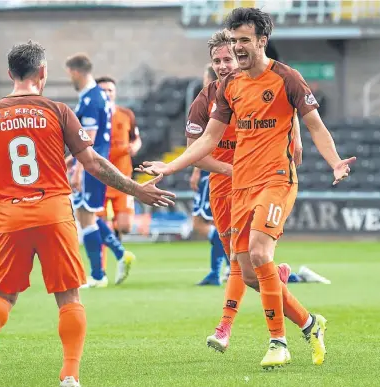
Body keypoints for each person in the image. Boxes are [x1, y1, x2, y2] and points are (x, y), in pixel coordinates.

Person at [0, 41, 175, 387]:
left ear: (10, 73)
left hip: (10, 219)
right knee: (69, 297)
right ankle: (69, 375)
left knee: (1, 296)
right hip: (54, 214)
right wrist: (138, 189)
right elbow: (94, 163)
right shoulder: (57, 111)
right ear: (43, 73)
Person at [138, 8, 355, 369]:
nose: (237, 48)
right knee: (251, 274)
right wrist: (170, 165)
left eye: (243, 41)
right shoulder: (228, 87)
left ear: (261, 40)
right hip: (240, 186)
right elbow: (208, 139)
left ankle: (277, 342)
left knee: (257, 254)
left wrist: (333, 161)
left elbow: (314, 125)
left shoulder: (287, 78)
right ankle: (309, 323)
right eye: (233, 40)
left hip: (276, 180)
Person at [182, 30, 299, 354]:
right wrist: (225, 169)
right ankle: (299, 312)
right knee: (248, 269)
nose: (222, 65)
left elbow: (287, 103)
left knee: (242, 258)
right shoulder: (206, 100)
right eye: (217, 60)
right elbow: (197, 149)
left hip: (261, 181)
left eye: (227, 59)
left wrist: (296, 138)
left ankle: (225, 327)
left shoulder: (265, 85)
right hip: (224, 184)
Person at [65, 54, 136, 288]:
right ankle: (118, 255)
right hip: (96, 163)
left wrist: (77, 169)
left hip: (91, 165)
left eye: (69, 74)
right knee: (89, 216)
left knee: (86, 218)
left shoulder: (92, 99)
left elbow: (88, 140)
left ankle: (98, 275)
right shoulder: (96, 97)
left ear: (75, 72)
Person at [95, 76, 141, 284]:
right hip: (100, 179)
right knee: (98, 225)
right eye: (103, 90)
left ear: (115, 92)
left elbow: (136, 138)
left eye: (110, 90)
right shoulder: (93, 116)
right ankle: (101, 270)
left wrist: (135, 147)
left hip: (123, 178)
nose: (107, 93)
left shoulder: (126, 115)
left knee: (125, 226)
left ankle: (116, 244)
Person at [189, 64, 228, 286]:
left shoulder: (212, 103)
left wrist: (197, 170)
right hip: (213, 168)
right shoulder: (214, 102)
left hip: (211, 170)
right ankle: (217, 271)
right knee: (209, 222)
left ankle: (227, 267)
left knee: (203, 223)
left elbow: (205, 142)